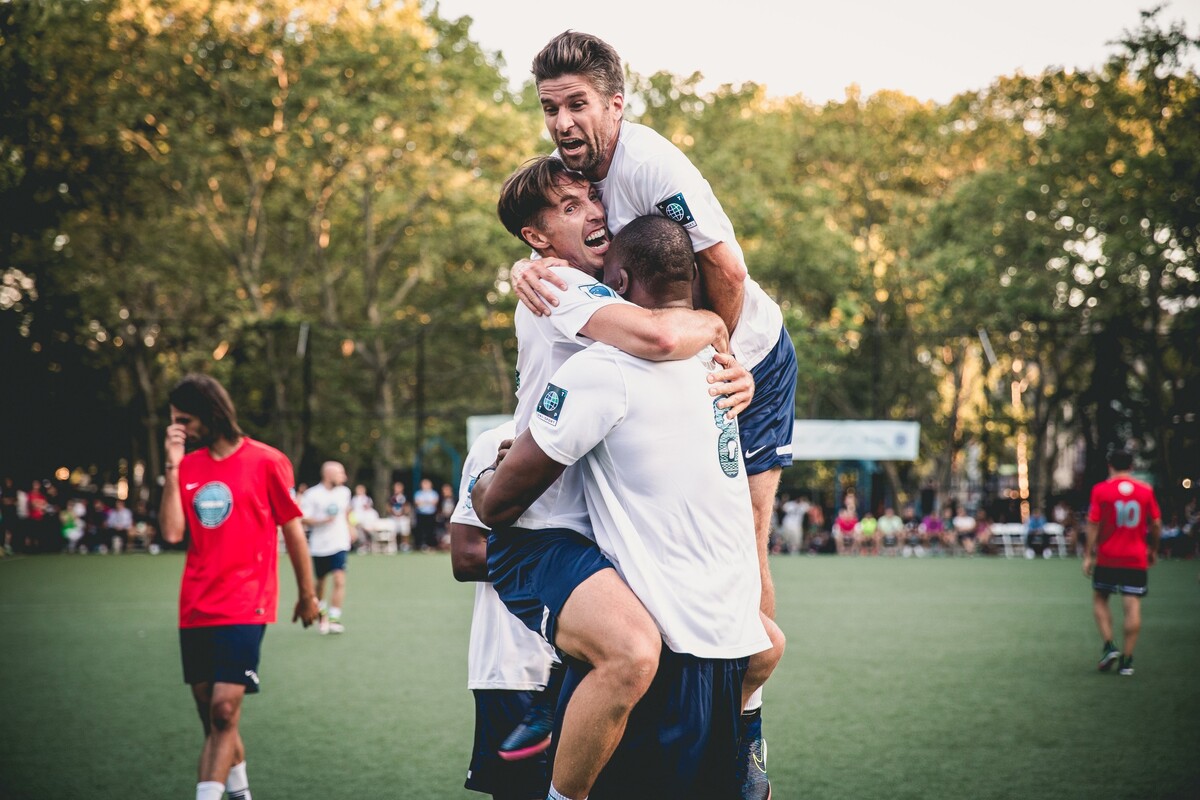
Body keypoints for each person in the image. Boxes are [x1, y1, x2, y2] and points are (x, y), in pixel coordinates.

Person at [476, 216, 784, 799]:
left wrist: (483, 479)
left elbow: (500, 504)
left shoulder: (602, 369)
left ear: (616, 283)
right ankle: (748, 744)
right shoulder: (721, 368)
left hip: (673, 652)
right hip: (728, 648)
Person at [513, 31, 798, 628]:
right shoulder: (577, 174)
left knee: (741, 539)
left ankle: (750, 688)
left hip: (744, 356)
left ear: (615, 104)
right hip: (668, 354)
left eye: (577, 104)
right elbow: (549, 227)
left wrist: (722, 357)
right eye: (549, 107)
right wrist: (524, 264)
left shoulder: (649, 166)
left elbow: (728, 270)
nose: (561, 122)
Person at [159, 373, 319, 800]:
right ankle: (241, 793)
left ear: (210, 414)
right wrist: (173, 465)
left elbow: (293, 531)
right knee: (212, 717)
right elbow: (172, 532)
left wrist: (307, 595)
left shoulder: (267, 460)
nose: (178, 429)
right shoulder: (187, 466)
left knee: (224, 710)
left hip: (248, 602)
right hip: (196, 604)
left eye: (184, 420)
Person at [450, 421, 557, 800]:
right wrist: (576, 574)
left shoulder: (608, 435)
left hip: (600, 666)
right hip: (519, 669)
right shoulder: (498, 441)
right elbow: (466, 556)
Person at [1082, 449, 1162, 677]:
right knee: (1132, 604)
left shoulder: (1101, 490)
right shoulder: (1145, 490)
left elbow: (1093, 523)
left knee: (1100, 598)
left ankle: (1109, 645)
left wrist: (1088, 554)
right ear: (1132, 466)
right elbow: (1156, 523)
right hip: (1135, 557)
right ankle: (1127, 660)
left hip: (1108, 556)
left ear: (1110, 466)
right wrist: (1153, 549)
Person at [300, 462, 353, 635]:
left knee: (339, 579)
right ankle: (321, 614)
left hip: (340, 542)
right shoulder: (312, 494)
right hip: (320, 545)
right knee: (320, 582)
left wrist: (350, 528)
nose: (344, 477)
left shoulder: (344, 492)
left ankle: (334, 618)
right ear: (328, 475)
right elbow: (303, 518)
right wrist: (322, 521)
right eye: (340, 473)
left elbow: (346, 512)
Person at [413, 478, 440, 552]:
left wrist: (424, 503)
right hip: (421, 514)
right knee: (420, 530)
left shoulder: (434, 493)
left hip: (431, 514)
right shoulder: (418, 493)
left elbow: (434, 503)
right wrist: (428, 502)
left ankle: (431, 545)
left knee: (430, 531)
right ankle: (420, 545)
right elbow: (417, 503)